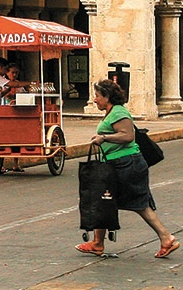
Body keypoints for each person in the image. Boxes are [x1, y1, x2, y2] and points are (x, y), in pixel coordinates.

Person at [76, 78, 177, 259]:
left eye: (97, 96)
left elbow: (128, 136)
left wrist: (104, 138)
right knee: (104, 199)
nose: (95, 100)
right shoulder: (111, 113)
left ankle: (166, 237)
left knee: (139, 204)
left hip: (126, 164)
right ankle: (97, 243)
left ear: (107, 97)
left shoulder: (119, 112)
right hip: (116, 164)